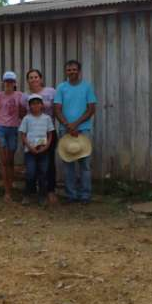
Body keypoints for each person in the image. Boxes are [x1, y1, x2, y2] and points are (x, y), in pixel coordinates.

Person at [53, 59, 97, 203]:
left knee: (85, 165)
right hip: (65, 130)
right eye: (69, 70)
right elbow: (57, 109)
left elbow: (91, 109)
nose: (71, 72)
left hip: (83, 130)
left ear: (79, 71)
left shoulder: (87, 87)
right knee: (68, 164)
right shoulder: (61, 87)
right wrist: (67, 124)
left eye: (74, 69)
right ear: (66, 72)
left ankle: (85, 195)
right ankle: (71, 195)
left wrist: (76, 124)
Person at [22, 68, 59, 204]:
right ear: (28, 81)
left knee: (48, 164)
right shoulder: (25, 96)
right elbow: (22, 114)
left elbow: (57, 109)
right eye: (31, 77)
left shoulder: (51, 92)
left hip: (48, 132)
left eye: (36, 77)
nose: (34, 79)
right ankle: (30, 192)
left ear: (41, 78)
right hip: (32, 134)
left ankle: (49, 191)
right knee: (31, 167)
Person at [0, 71, 24, 203]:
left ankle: (10, 186)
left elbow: (23, 111)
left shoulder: (19, 96)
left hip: (14, 129)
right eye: (6, 81)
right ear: (3, 82)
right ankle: (7, 192)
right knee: (4, 161)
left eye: (11, 81)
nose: (9, 83)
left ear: (15, 83)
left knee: (10, 160)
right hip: (1, 129)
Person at [18, 94, 55, 205]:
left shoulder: (47, 118)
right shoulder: (26, 118)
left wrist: (47, 146)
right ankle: (27, 195)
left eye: (38, 103)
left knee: (43, 173)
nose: (36, 106)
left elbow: (50, 134)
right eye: (33, 104)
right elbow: (23, 135)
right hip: (30, 151)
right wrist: (29, 147)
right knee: (30, 173)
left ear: (42, 105)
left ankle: (42, 196)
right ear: (29, 106)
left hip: (44, 150)